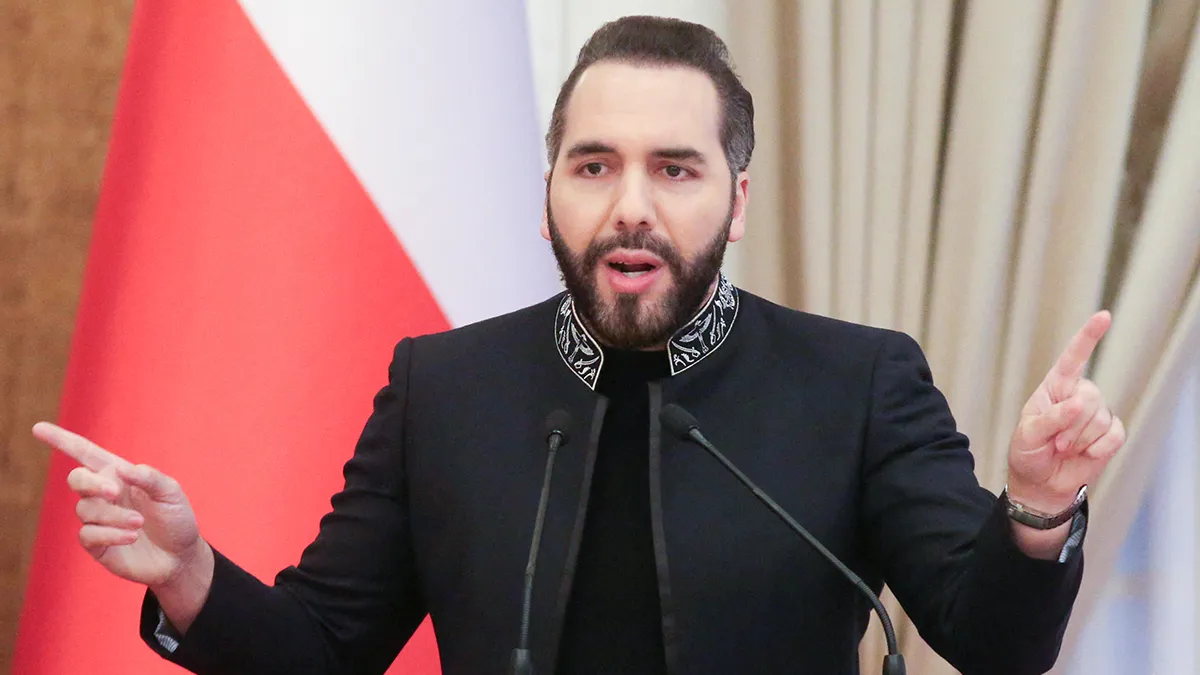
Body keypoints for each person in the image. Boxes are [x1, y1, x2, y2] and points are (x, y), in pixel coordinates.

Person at [34, 15, 1124, 675]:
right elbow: (323, 652)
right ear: (549, 191)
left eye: (676, 168)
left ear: (737, 201)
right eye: (594, 166)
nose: (630, 207)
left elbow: (997, 647)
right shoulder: (445, 388)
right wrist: (188, 576)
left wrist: (1035, 509)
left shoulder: (857, 382)